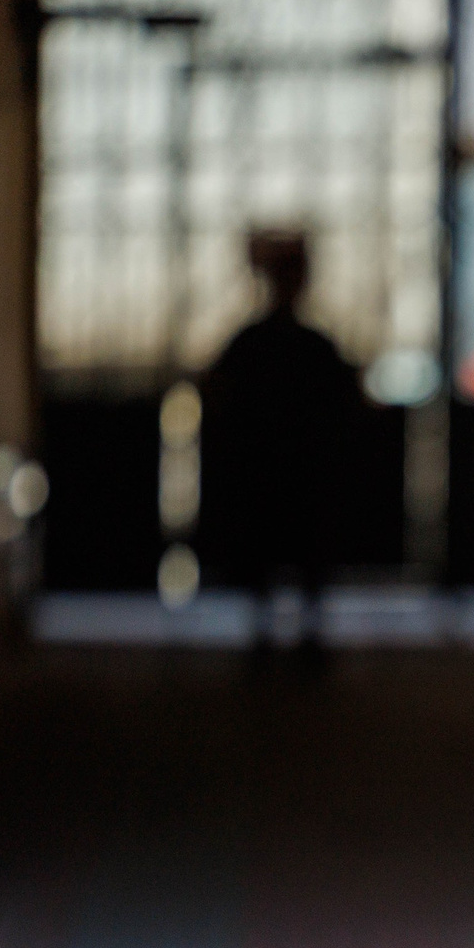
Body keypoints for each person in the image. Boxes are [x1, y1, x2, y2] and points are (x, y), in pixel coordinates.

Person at [200, 228, 363, 649]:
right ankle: (299, 633)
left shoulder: (256, 344)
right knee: (294, 549)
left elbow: (218, 396)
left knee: (275, 548)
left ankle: (273, 632)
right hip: (294, 468)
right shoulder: (310, 347)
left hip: (272, 467)